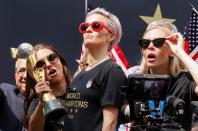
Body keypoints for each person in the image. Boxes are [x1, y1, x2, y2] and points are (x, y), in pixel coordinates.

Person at [127, 20, 198, 130]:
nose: (150, 46)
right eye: (145, 43)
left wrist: (179, 51)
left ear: (171, 51)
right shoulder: (136, 82)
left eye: (158, 42)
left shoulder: (184, 81)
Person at [64, 7, 127, 131]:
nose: (88, 29)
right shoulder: (80, 73)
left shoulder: (112, 70)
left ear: (111, 36)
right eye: (84, 27)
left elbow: (110, 123)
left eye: (96, 25)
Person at [24, 43, 71, 131]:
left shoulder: (80, 89)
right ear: (35, 75)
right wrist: (42, 101)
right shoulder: (36, 103)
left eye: (52, 57)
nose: (48, 64)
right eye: (40, 64)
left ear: (61, 62)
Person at [0, 54, 27, 130]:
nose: (25, 76)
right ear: (15, 76)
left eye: (30, 71)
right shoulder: (6, 91)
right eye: (21, 70)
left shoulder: (50, 102)